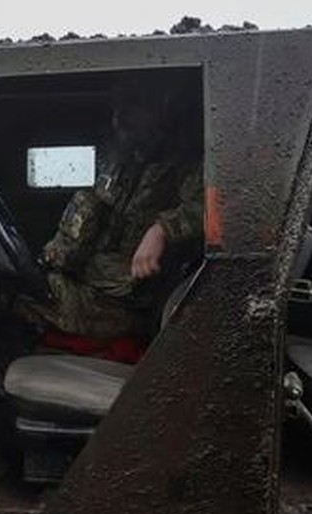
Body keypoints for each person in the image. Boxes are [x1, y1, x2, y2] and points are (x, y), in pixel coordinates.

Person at [28, 80, 204, 343]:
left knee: (4, 299)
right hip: (91, 284)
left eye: (132, 107)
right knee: (8, 288)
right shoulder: (120, 157)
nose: (120, 117)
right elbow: (80, 228)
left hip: (121, 304)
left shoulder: (182, 163)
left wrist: (162, 230)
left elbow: (215, 207)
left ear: (160, 110)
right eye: (118, 105)